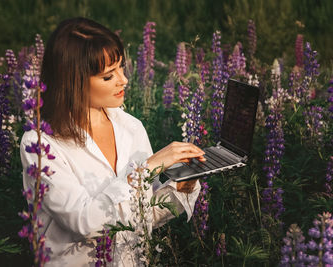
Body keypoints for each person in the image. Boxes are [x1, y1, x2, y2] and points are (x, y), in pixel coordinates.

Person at [20, 17, 206, 267]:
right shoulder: (40, 144)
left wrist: (182, 186)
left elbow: (144, 214)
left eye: (121, 68)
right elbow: (83, 221)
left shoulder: (131, 127)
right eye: (108, 76)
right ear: (73, 82)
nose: (123, 80)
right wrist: (147, 168)